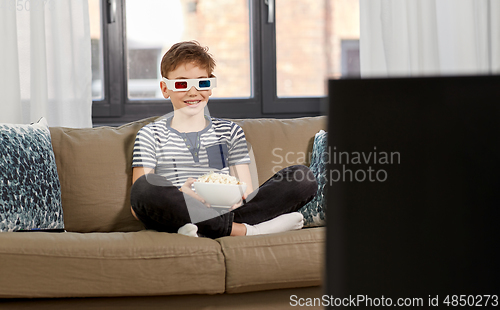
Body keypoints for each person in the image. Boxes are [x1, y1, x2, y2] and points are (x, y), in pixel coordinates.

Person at [130, 41, 317, 238]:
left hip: (228, 211)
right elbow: (137, 208)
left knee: (302, 177)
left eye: (201, 83)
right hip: (178, 209)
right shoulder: (150, 134)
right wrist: (182, 194)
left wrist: (233, 199)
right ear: (165, 88)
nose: (193, 92)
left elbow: (246, 193)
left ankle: (202, 228)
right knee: (144, 187)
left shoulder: (230, 132)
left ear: (210, 87)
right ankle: (246, 231)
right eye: (182, 84)